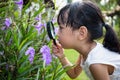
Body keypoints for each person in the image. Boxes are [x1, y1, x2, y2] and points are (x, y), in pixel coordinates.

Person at [52, 1, 120, 80]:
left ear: (82, 33)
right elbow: (74, 73)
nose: (57, 33)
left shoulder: (96, 62)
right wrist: (61, 56)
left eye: (61, 28)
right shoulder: (86, 53)